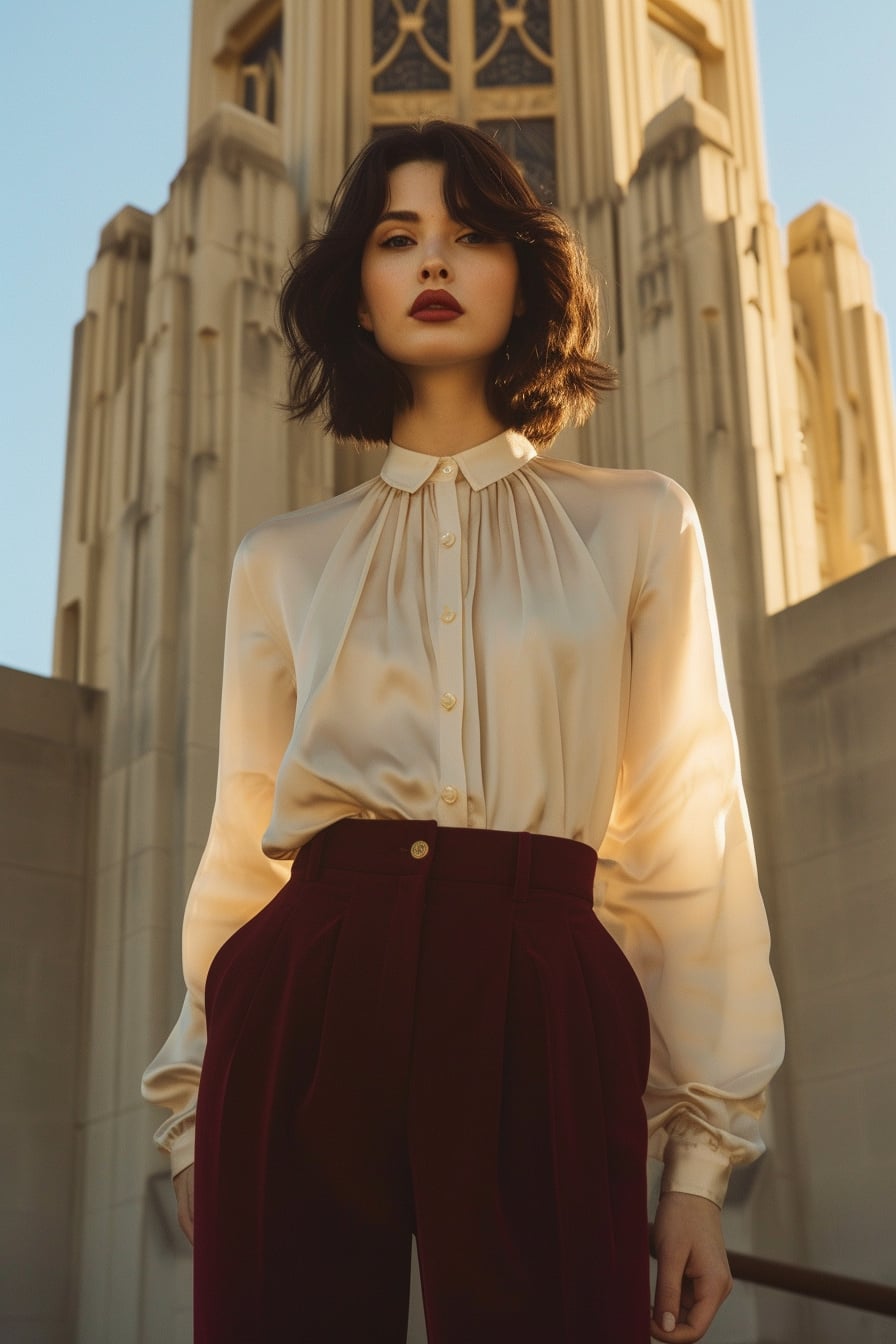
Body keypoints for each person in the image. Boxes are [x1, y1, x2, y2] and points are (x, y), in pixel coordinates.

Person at [142, 120, 784, 1343]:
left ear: (523, 275)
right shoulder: (281, 558)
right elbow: (242, 841)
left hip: (540, 973)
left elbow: (684, 834)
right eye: (398, 238)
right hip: (309, 986)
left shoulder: (637, 524)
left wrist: (698, 1166)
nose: (433, 261)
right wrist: (189, 1103)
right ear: (360, 290)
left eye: (470, 234)